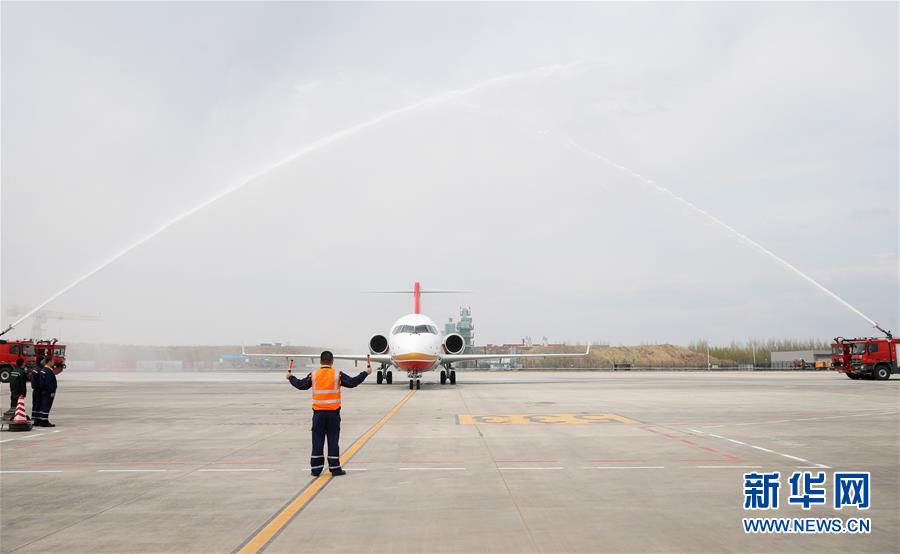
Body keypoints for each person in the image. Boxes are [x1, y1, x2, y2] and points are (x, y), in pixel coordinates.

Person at [287, 351, 371, 476]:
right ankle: (335, 468)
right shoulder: (337, 374)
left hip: (318, 414)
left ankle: (316, 469)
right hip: (333, 414)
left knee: (317, 441)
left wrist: (290, 377)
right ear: (332, 361)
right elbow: (353, 382)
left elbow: (301, 385)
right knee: (333, 440)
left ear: (320, 361)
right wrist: (365, 373)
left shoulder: (314, 375)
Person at [32, 358, 58, 427]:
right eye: (52, 361)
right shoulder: (48, 371)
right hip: (47, 392)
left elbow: (41, 383)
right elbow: (48, 382)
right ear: (49, 362)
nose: (53, 362)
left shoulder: (43, 370)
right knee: (46, 406)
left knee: (40, 406)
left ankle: (40, 420)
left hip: (42, 391)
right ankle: (44, 421)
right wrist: (52, 391)